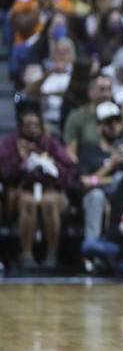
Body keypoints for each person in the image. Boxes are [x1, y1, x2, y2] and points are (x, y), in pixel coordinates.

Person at [0, 108, 74, 270]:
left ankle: (52, 254)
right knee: (28, 203)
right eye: (28, 125)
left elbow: (67, 171)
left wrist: (49, 164)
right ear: (20, 127)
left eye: (36, 124)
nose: (32, 128)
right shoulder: (10, 144)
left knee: (49, 203)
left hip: (50, 189)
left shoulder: (51, 143)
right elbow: (6, 174)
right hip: (23, 189)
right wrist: (21, 159)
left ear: (41, 126)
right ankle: (27, 254)